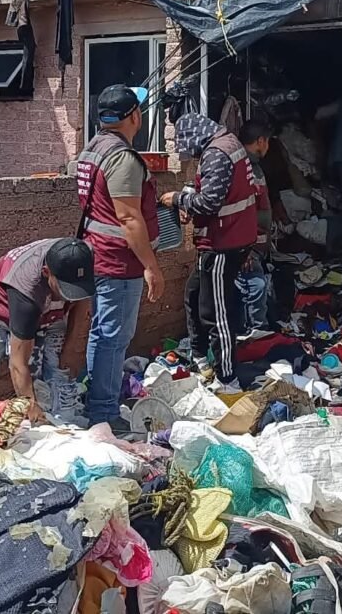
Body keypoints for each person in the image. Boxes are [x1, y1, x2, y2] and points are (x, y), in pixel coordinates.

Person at [76, 84, 163, 427]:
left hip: (95, 253)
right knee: (114, 338)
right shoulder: (121, 158)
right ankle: (104, 414)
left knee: (102, 334)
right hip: (118, 261)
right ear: (134, 117)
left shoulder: (92, 148)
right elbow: (128, 218)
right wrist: (151, 266)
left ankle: (98, 402)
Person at [0, 237, 95, 427]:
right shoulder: (26, 288)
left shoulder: (80, 258)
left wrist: (71, 349)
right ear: (47, 273)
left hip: (50, 317)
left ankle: (66, 428)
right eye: (66, 290)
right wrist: (30, 406)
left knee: (59, 373)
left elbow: (82, 303)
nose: (70, 296)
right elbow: (18, 364)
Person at [161, 113, 257, 391]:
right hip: (232, 237)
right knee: (193, 295)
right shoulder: (227, 143)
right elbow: (211, 185)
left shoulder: (217, 154)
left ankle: (227, 378)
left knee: (216, 312)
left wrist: (178, 199)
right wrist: (190, 193)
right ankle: (200, 356)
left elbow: (209, 203)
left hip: (223, 244)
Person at [237, 120, 273, 332]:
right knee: (253, 289)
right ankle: (253, 337)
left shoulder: (254, 167)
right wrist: (244, 248)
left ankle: (255, 336)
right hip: (247, 248)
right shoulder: (243, 167)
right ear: (261, 141)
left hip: (253, 246)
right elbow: (240, 209)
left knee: (255, 288)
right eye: (267, 142)